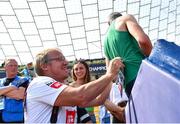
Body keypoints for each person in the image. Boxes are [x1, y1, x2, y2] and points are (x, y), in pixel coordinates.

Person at [25, 48, 122, 123]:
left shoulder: (63, 89)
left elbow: (99, 100)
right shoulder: (40, 83)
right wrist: (109, 75)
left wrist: (110, 78)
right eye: (60, 59)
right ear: (44, 66)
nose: (66, 62)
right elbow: (81, 96)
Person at [104, 12, 153, 97]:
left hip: (128, 86)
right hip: (142, 73)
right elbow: (143, 40)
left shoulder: (105, 41)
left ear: (109, 24)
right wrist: (153, 61)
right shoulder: (124, 19)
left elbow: (111, 75)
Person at [0, 59, 29, 123]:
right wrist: (11, 87)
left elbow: (19, 95)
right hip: (1, 116)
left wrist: (2, 92)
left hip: (17, 118)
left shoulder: (23, 80)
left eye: (16, 66)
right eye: (11, 65)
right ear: (5, 67)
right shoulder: (0, 81)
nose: (14, 67)